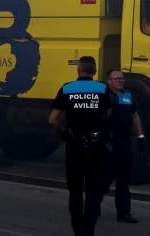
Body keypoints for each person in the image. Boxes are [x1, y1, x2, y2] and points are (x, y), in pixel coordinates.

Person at [48, 56, 112, 236]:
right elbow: (109, 114)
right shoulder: (102, 89)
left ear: (79, 70)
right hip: (95, 145)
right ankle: (88, 231)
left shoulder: (67, 88)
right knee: (92, 193)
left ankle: (77, 230)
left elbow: (52, 120)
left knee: (75, 191)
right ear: (94, 71)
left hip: (74, 145)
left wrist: (65, 133)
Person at [103, 69, 144, 224]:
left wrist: (140, 136)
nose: (120, 81)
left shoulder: (128, 95)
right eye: (116, 78)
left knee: (123, 179)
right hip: (109, 143)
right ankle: (94, 202)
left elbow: (135, 116)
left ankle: (124, 213)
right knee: (105, 177)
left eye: (122, 78)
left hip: (125, 142)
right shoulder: (105, 96)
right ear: (109, 81)